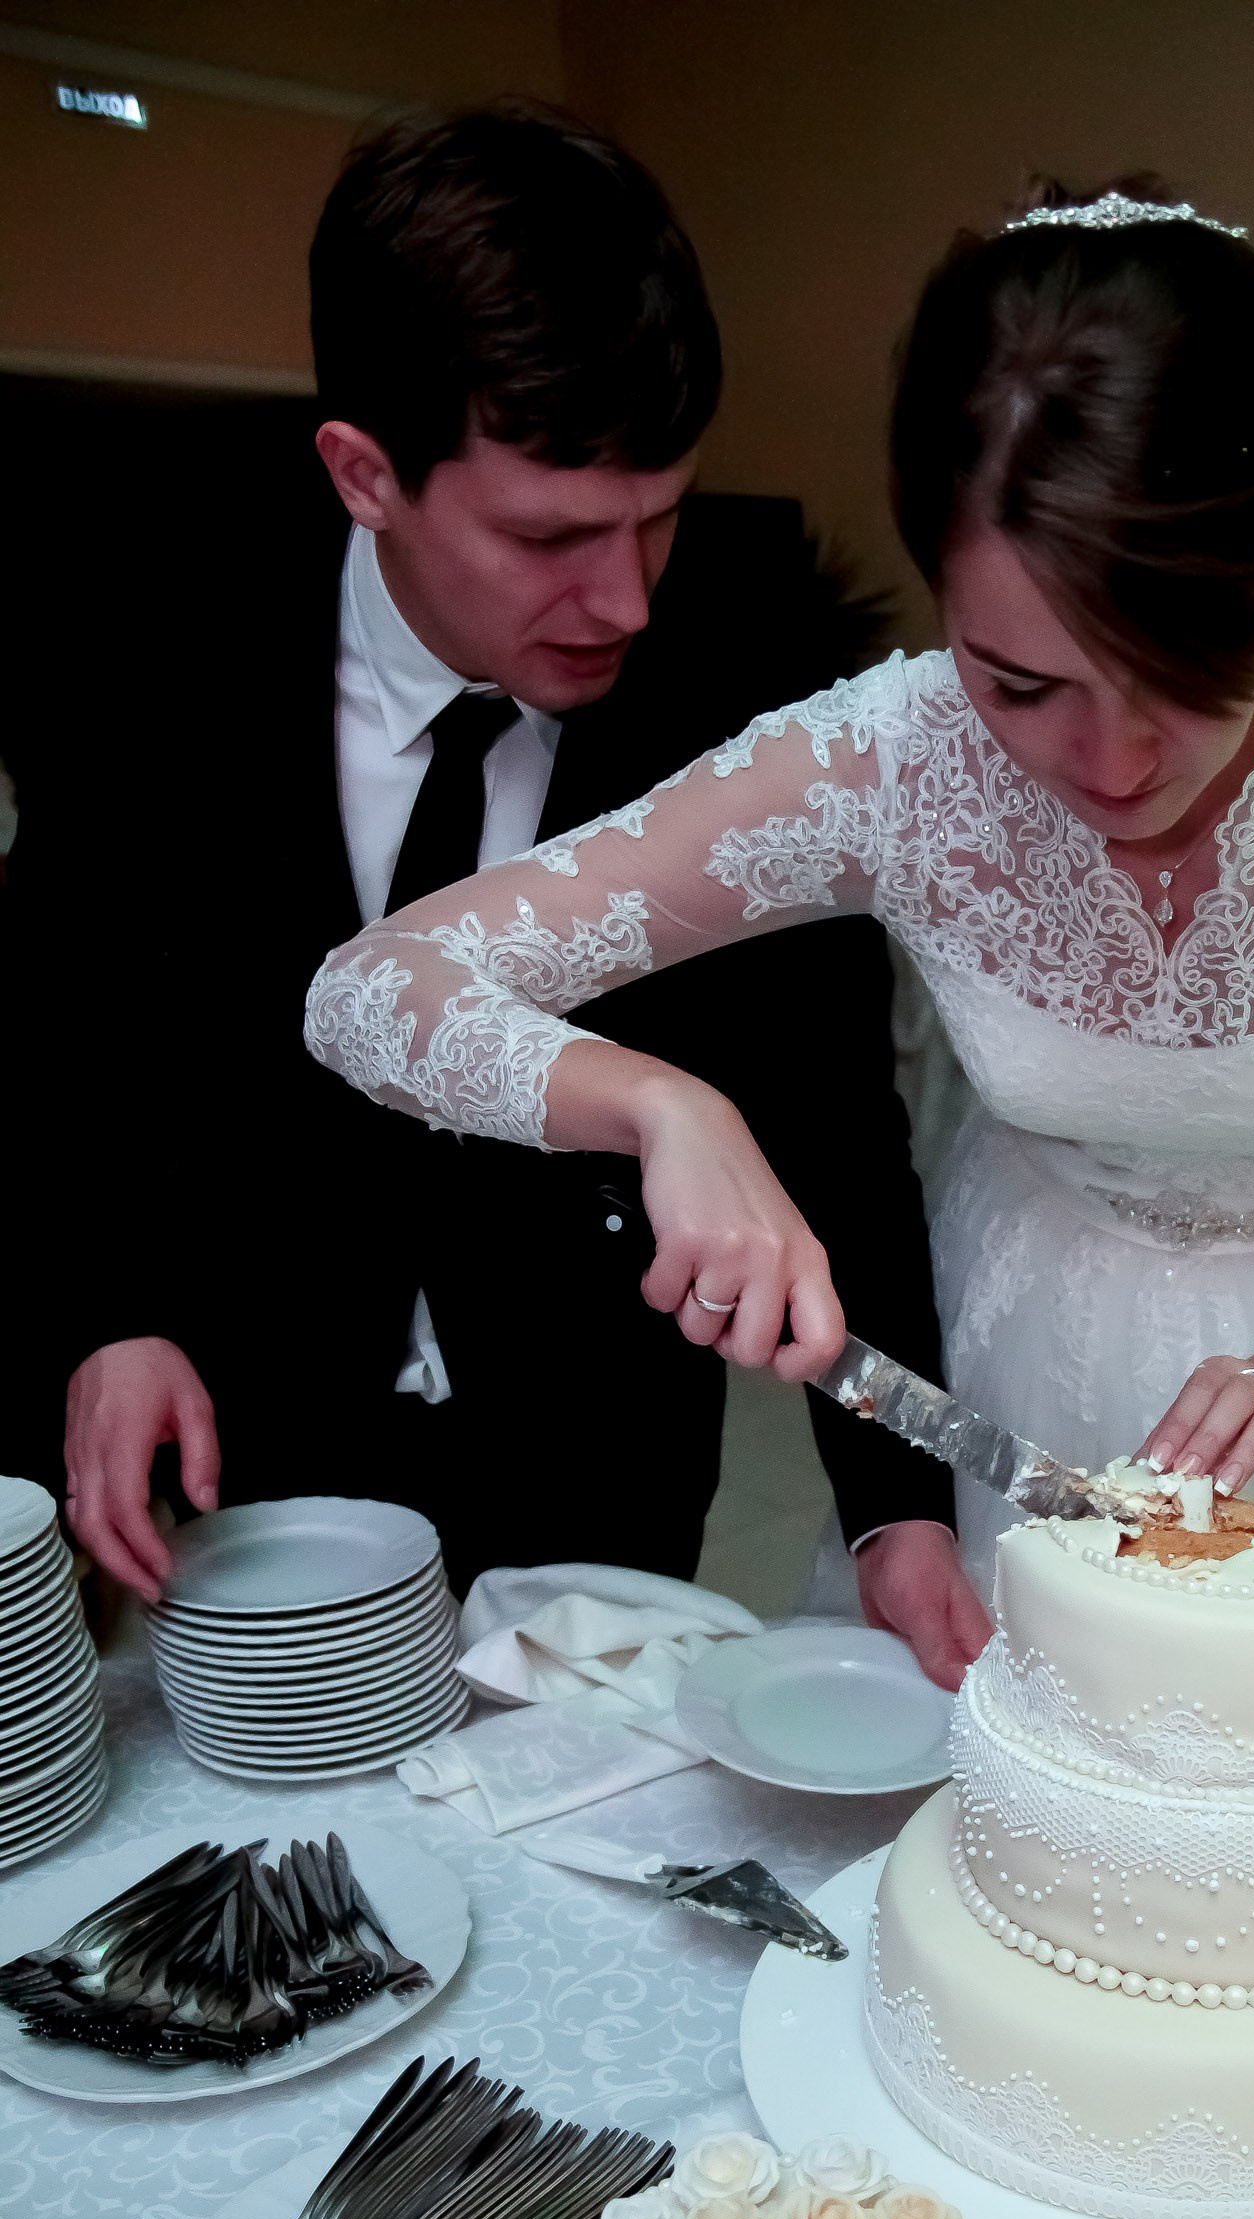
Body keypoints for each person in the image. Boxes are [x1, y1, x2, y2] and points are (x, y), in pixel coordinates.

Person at [301, 180, 1254, 2000]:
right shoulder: (888, 758)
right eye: (1023, 682)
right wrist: (665, 1108)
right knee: (1039, 1970)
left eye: (1183, 669)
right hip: (1027, 1372)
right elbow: (373, 992)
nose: (1110, 760)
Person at [8, 105, 984, 1682]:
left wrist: (898, 1510)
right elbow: (59, 1025)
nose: (626, 600)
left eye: (660, 518)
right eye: (550, 536)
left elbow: (835, 1119)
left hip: (602, 1454)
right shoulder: (146, 643)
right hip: (250, 1427)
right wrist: (106, 1316)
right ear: (364, 473)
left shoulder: (751, 674)